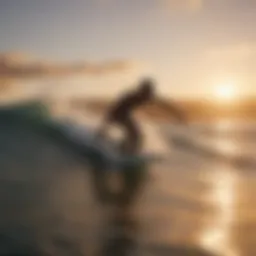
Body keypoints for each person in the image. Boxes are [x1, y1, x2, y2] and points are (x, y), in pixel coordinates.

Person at [96, 78, 187, 154]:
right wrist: (104, 126)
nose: (147, 95)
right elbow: (114, 108)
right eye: (146, 92)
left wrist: (178, 114)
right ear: (141, 90)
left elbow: (164, 105)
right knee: (134, 134)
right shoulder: (131, 96)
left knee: (136, 135)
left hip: (125, 114)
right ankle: (124, 149)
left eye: (149, 92)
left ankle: (126, 149)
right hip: (117, 114)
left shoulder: (148, 96)